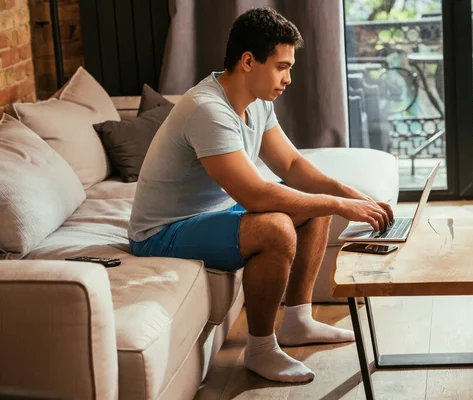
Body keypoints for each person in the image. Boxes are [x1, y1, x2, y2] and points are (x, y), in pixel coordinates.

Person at [128, 7, 394, 383]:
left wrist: (350, 193)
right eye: (282, 66)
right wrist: (339, 205)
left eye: (290, 68)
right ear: (248, 61)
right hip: (162, 232)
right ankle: (260, 349)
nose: (288, 78)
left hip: (210, 211)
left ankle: (298, 321)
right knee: (276, 228)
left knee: (309, 202)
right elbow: (254, 195)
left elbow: (292, 166)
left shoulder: (259, 102)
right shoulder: (207, 109)